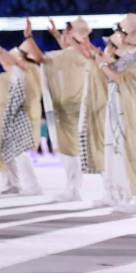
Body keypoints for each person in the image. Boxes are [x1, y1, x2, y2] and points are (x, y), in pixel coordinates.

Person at [89, 14, 136, 214]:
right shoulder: (126, 51)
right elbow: (111, 65)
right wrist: (107, 54)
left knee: (131, 151)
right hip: (116, 104)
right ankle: (116, 193)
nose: (118, 33)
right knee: (115, 150)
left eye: (121, 30)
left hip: (130, 108)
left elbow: (119, 77)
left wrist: (102, 63)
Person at [26, 18, 97, 202]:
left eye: (67, 31)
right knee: (72, 149)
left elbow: (42, 58)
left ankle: (73, 190)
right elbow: (66, 51)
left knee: (69, 150)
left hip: (69, 109)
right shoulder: (80, 54)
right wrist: (57, 35)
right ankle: (74, 188)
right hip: (75, 107)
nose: (64, 35)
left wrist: (29, 38)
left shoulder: (72, 54)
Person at [0, 25, 43, 197]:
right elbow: (8, 64)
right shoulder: (19, 67)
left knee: (20, 151)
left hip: (24, 112)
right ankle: (14, 183)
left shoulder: (32, 68)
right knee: (10, 149)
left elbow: (12, 62)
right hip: (16, 111)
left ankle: (33, 186)